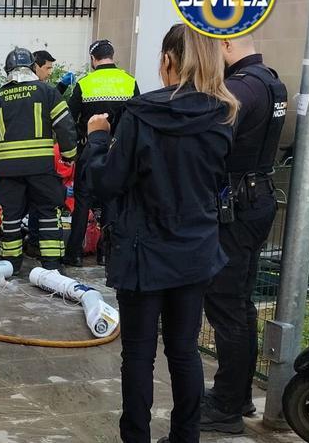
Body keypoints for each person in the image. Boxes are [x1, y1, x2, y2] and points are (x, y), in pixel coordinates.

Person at [84, 23, 237, 443]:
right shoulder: (224, 113)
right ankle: (186, 436)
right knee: (184, 350)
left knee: (138, 353)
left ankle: (136, 437)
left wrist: (97, 140)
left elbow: (108, 182)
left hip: (143, 252)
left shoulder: (141, 113)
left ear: (168, 60)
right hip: (195, 250)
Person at [201, 36, 286, 433]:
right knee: (241, 304)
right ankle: (236, 395)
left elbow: (210, 145)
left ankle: (226, 407)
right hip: (258, 197)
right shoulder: (270, 81)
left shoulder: (239, 87)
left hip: (236, 207)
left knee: (225, 305)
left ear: (227, 43)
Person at [0, 47, 77, 273]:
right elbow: (65, 125)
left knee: (10, 217)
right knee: (49, 213)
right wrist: (69, 155)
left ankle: (11, 266)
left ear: (7, 71)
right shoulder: (47, 92)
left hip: (9, 171)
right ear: (32, 67)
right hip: (41, 167)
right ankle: (51, 266)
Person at [63, 39, 139, 267]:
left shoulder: (85, 83)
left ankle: (74, 253)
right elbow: (137, 117)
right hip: (119, 152)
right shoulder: (129, 81)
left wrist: (79, 139)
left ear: (93, 59)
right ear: (112, 55)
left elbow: (68, 118)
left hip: (91, 150)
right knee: (112, 202)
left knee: (82, 201)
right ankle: (107, 254)